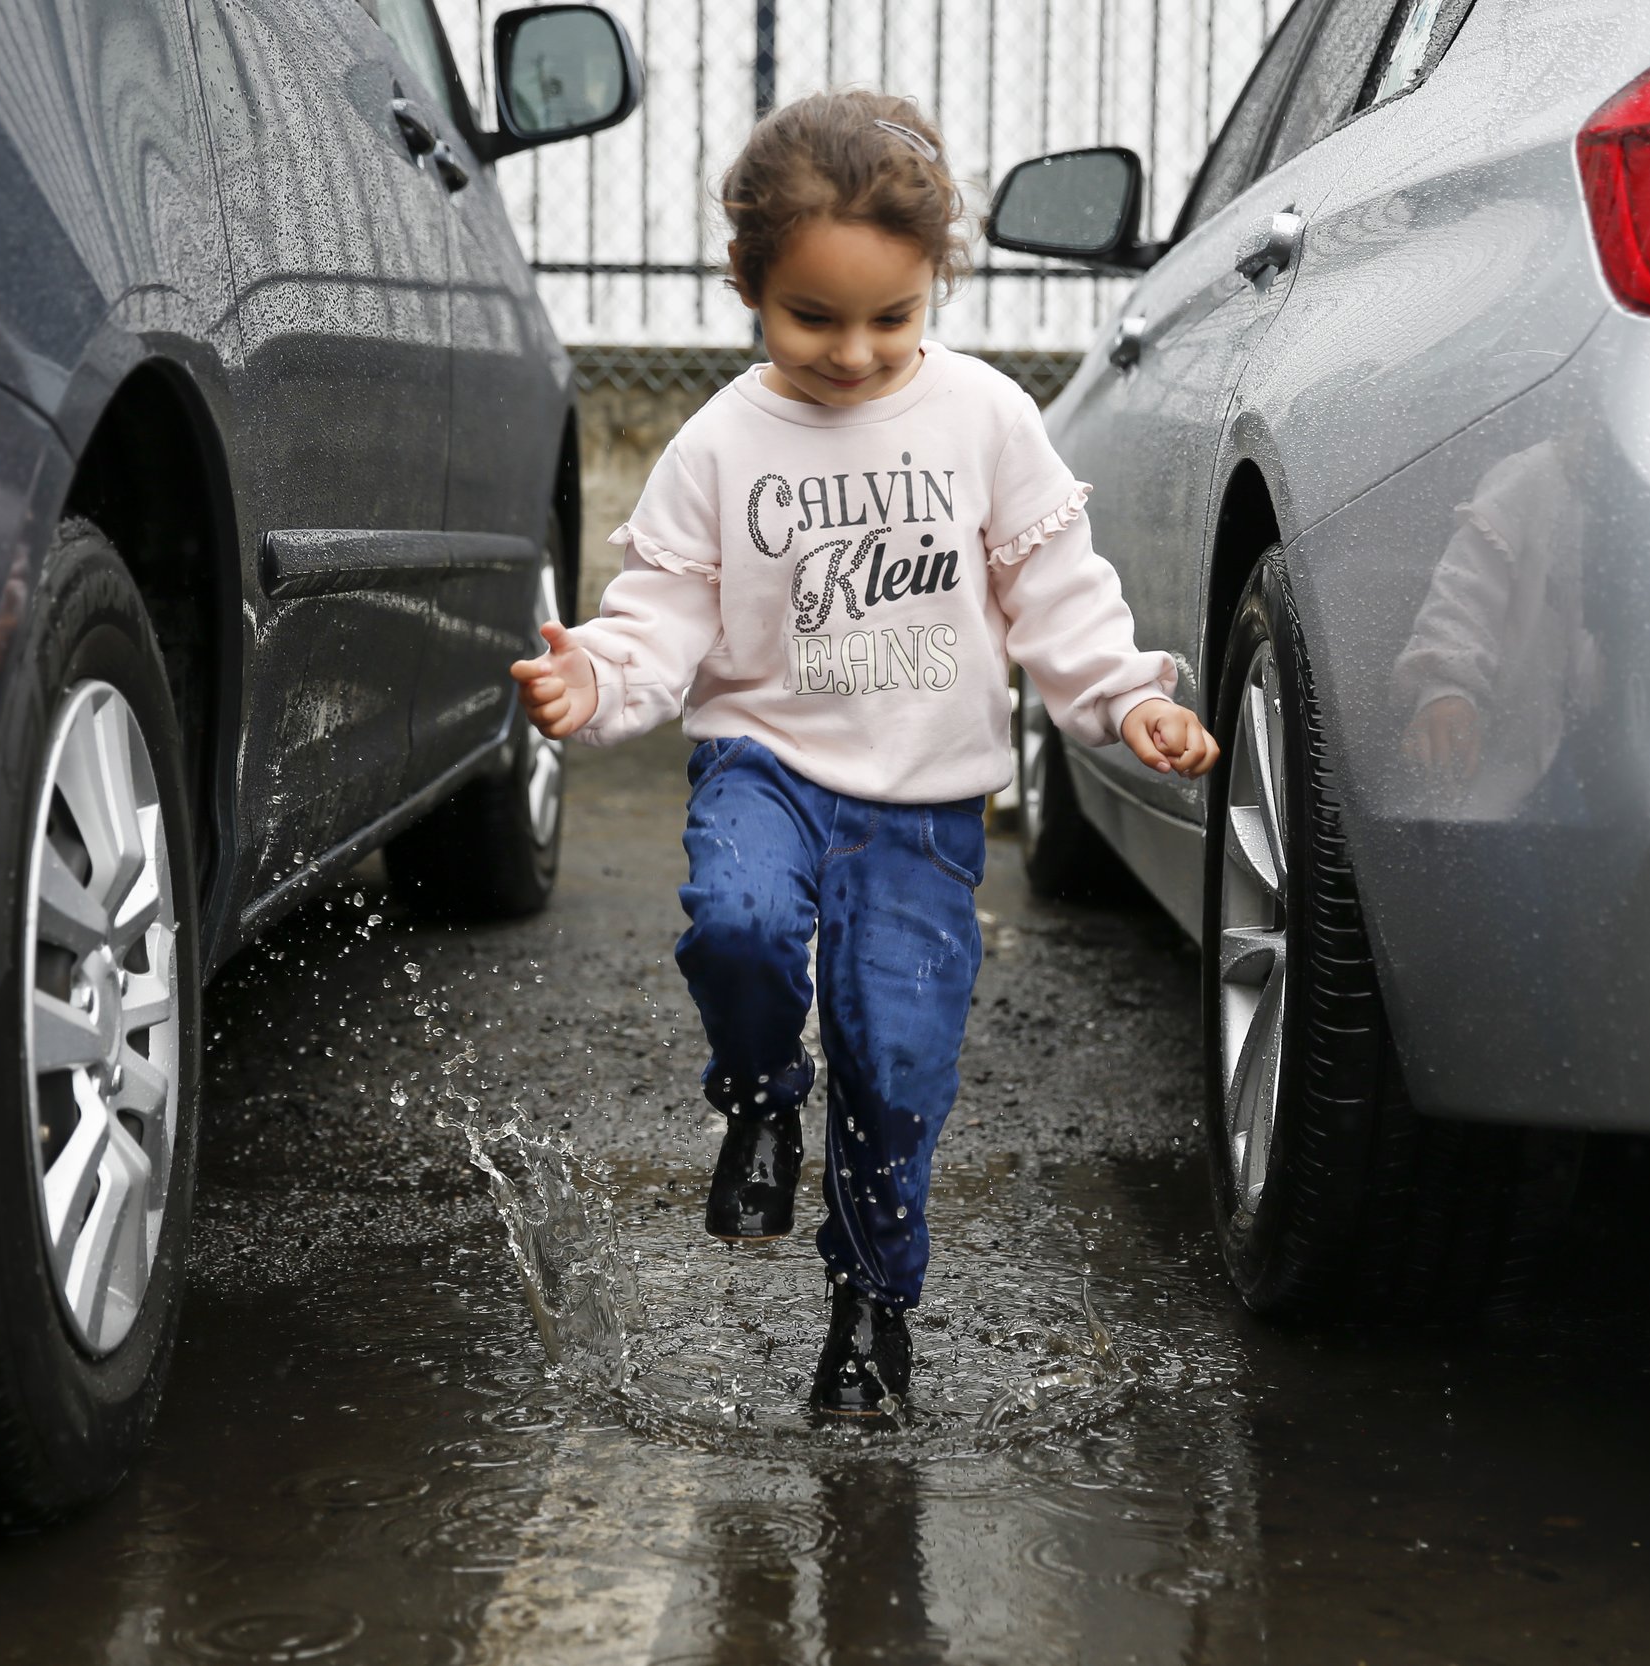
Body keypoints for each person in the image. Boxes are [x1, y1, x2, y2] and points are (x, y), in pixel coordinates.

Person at [508, 90, 1217, 1417]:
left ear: (932, 284)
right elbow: (661, 617)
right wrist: (595, 678)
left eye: (891, 318)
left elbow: (1053, 590)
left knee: (896, 1067)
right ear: (749, 287)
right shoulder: (718, 445)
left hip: (922, 805)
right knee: (736, 922)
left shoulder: (988, 421)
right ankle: (764, 1098)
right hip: (765, 764)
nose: (851, 353)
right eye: (811, 318)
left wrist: (1127, 700)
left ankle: (871, 1308)